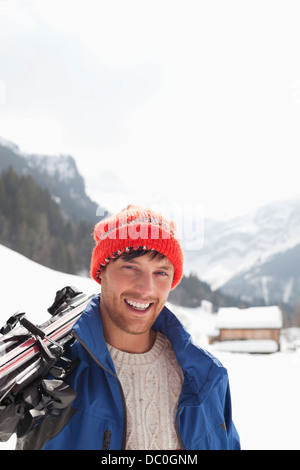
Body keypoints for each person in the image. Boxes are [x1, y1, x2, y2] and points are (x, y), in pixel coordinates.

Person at [11, 205, 240, 450]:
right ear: (102, 272)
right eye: (131, 267)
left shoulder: (208, 376)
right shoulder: (54, 380)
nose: (146, 288)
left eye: (161, 272)